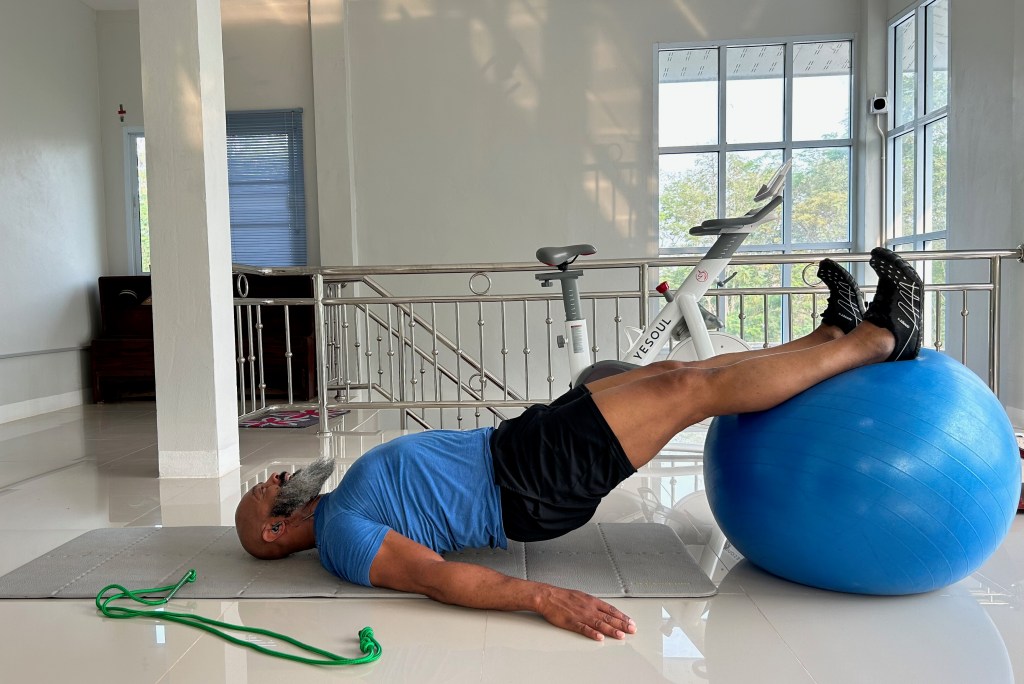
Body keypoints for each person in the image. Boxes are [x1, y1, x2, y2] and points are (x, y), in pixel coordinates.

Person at [235, 247, 924, 641]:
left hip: (514, 447)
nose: (271, 479)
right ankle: (878, 339)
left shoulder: (340, 505)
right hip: (528, 484)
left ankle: (829, 335)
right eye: (261, 494)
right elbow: (436, 577)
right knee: (690, 391)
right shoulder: (342, 539)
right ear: (274, 530)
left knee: (671, 371)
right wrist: (543, 599)